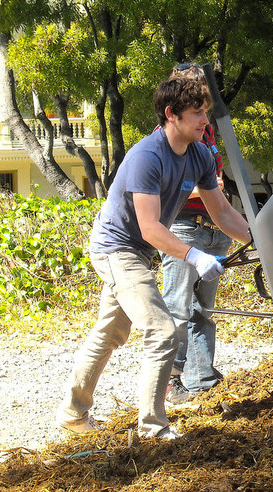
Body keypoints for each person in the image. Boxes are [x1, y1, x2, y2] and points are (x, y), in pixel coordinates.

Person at [56, 68, 252, 439]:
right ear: (172, 115)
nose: (204, 121)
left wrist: (260, 240)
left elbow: (222, 213)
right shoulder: (147, 156)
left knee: (110, 333)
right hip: (117, 247)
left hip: (140, 249)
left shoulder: (199, 156)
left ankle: (71, 413)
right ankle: (152, 427)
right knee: (162, 331)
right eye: (197, 114)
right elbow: (149, 227)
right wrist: (194, 256)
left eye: (205, 112)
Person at [161, 64, 233, 405]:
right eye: (197, 91)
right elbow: (166, 189)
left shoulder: (207, 134)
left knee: (202, 309)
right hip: (184, 227)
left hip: (211, 230)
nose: (204, 100)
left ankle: (201, 376)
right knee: (178, 306)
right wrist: (202, 190)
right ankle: (169, 381)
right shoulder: (170, 135)